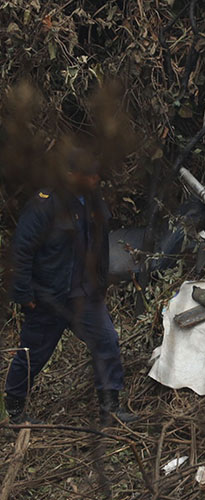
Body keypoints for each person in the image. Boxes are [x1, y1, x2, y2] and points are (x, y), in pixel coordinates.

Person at [5, 151, 137, 426]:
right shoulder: (44, 206)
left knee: (107, 341)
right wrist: (24, 295)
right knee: (33, 355)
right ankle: (14, 412)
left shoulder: (92, 202)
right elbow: (21, 250)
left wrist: (100, 284)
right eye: (88, 175)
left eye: (96, 175)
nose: (95, 179)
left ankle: (110, 409)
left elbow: (99, 247)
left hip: (85, 296)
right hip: (48, 298)